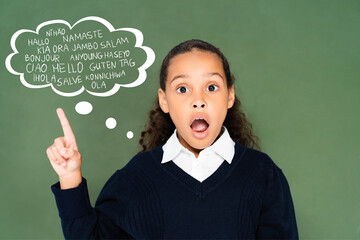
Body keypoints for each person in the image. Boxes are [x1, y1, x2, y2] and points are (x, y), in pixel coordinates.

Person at [47, 39, 298, 239]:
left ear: (230, 96)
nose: (198, 99)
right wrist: (70, 177)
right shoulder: (137, 177)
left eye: (211, 87)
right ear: (164, 100)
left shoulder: (263, 175)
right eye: (182, 89)